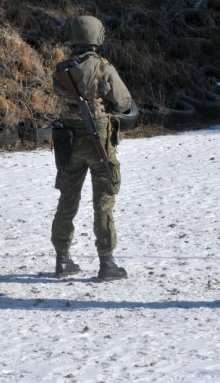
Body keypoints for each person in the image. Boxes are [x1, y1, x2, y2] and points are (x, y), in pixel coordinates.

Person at [50, 15, 132, 281]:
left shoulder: (61, 70)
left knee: (67, 200)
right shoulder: (103, 68)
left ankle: (62, 259)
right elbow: (122, 102)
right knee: (104, 201)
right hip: (99, 142)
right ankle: (106, 262)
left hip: (69, 143)